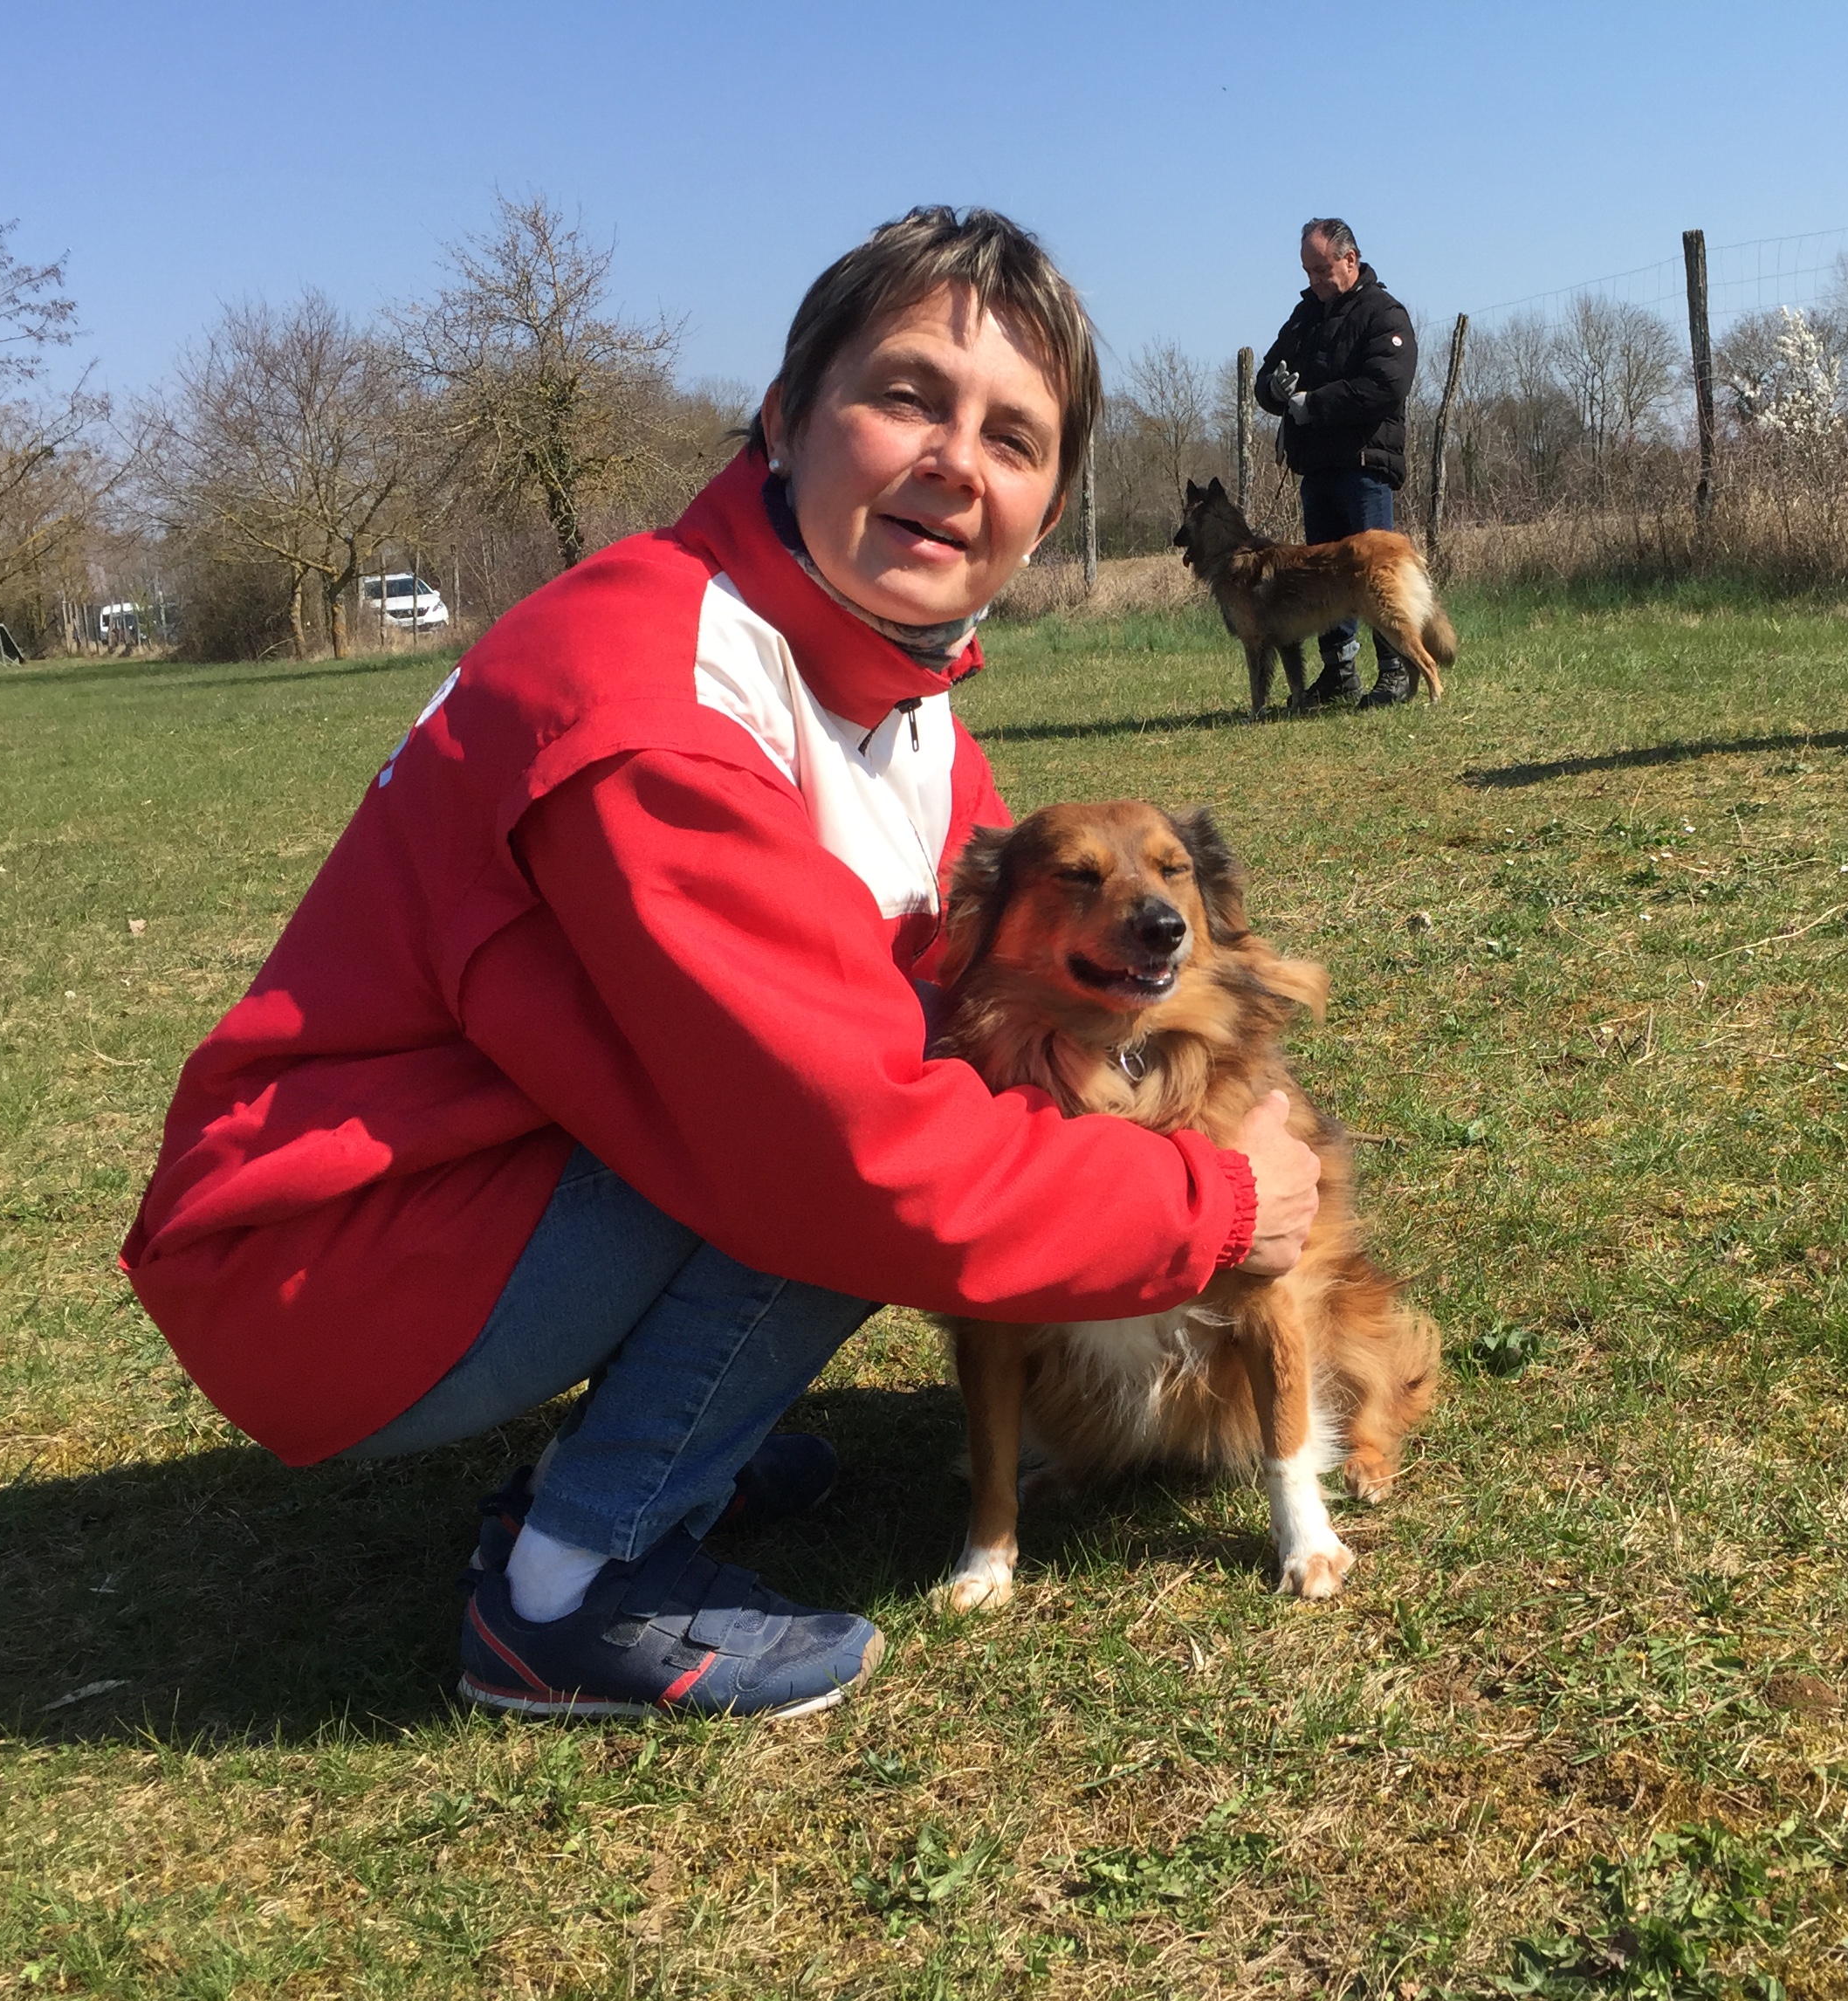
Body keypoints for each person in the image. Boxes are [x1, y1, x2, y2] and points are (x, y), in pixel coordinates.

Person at [120, 208, 1325, 1723]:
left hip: (460, 1191)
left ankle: (692, 1434)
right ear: (784, 414)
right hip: (330, 1260)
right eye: (905, 395)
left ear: (1047, 501)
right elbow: (855, 1145)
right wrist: (1218, 1199)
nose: (956, 458)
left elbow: (983, 1001)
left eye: (1011, 435)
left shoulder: (886, 685)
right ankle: (568, 1584)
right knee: (831, 1138)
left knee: (875, 1070)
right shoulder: (650, 696)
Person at [1254, 219, 1421, 706]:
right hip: (1317, 467)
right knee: (1325, 579)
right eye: (1307, 271)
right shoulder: (1305, 316)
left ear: (1351, 259)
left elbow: (1385, 385)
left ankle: (1393, 671)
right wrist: (1275, 391)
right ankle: (1339, 672)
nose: (1314, 281)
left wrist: (1315, 404)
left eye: (1322, 269)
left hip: (1365, 463)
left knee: (1373, 574)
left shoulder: (1383, 314)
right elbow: (1266, 375)